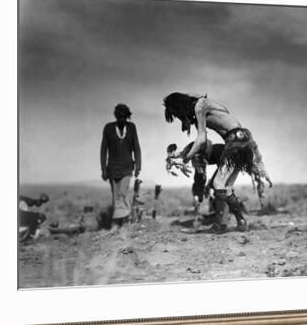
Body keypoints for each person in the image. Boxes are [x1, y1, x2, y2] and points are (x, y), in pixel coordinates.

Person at [163, 92, 272, 232]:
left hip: (234, 141)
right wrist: (179, 155)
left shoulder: (199, 106)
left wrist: (185, 159)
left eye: (177, 115)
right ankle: (240, 221)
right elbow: (201, 143)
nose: (180, 118)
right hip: (243, 139)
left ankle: (223, 224)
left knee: (218, 184)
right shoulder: (204, 106)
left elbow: (201, 140)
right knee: (225, 188)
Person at [166, 140, 248, 230]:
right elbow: (216, 170)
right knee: (226, 190)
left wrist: (201, 191)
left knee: (219, 187)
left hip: (229, 159)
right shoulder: (199, 151)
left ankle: (220, 225)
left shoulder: (198, 153)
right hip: (236, 159)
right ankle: (241, 222)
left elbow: (201, 176)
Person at [100, 104, 142, 227]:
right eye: (119, 116)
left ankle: (122, 221)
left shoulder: (132, 127)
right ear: (116, 116)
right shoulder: (108, 128)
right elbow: (103, 149)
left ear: (127, 117)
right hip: (112, 168)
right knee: (115, 196)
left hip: (127, 167)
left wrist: (138, 165)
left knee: (123, 193)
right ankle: (118, 221)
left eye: (124, 117)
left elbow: (136, 147)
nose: (122, 119)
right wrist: (103, 168)